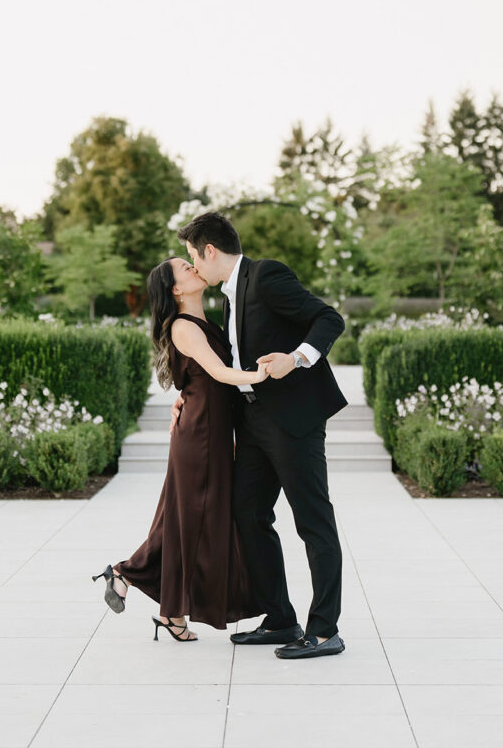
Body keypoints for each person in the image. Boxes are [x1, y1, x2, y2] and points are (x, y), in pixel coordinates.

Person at [173, 211, 347, 659]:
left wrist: (297, 357)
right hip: (253, 421)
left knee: (313, 522)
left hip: (293, 421)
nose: (193, 264)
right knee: (246, 513)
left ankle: (325, 631)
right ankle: (281, 620)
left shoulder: (266, 275)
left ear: (210, 250)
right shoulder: (231, 295)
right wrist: (188, 397)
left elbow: (329, 319)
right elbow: (228, 365)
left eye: (193, 255)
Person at [92, 256, 267, 642]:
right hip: (201, 437)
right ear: (176, 290)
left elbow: (204, 380)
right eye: (185, 268)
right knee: (191, 519)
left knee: (182, 519)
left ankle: (163, 605)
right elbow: (220, 374)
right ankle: (131, 575)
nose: (193, 267)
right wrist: (264, 373)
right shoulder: (185, 327)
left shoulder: (206, 321)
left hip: (209, 430)